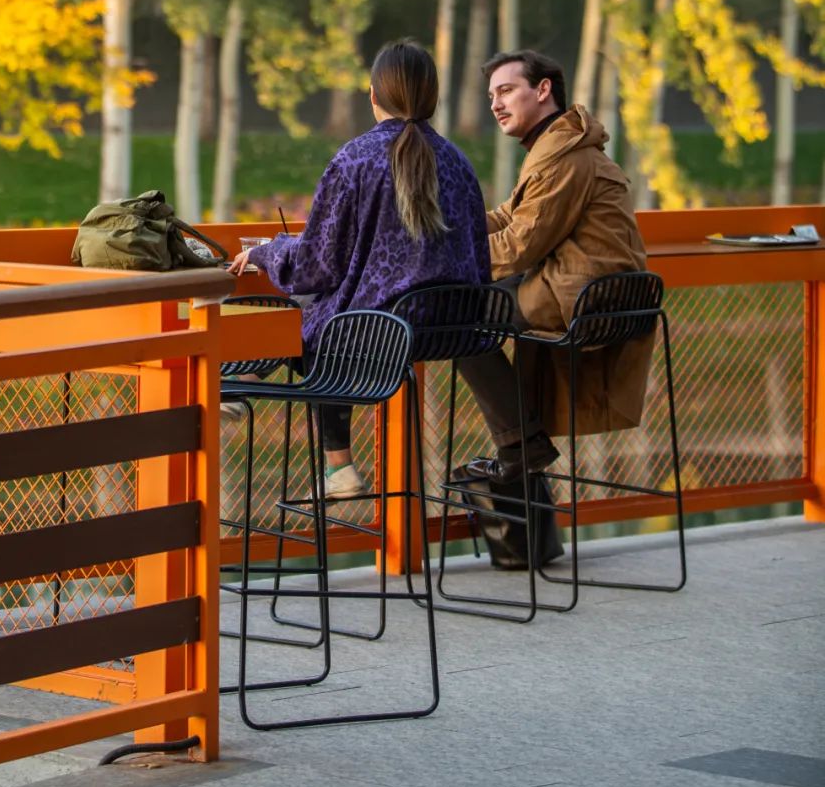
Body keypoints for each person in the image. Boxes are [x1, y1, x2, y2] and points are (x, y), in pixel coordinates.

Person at [229, 39, 490, 498]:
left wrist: (268, 251)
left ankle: (241, 385)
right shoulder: (459, 162)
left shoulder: (355, 159)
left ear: (373, 95)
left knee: (307, 313)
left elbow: (315, 265)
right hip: (454, 324)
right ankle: (246, 391)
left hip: (379, 330)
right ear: (433, 97)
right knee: (323, 314)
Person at [456, 48, 649, 483]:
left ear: (543, 90)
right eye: (491, 96)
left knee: (454, 316)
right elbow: (509, 217)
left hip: (581, 296)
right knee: (462, 310)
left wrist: (441, 256)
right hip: (584, 289)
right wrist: (448, 228)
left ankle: (522, 444)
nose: (495, 104)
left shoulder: (566, 157)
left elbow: (520, 244)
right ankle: (522, 442)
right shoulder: (555, 147)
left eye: (506, 90)